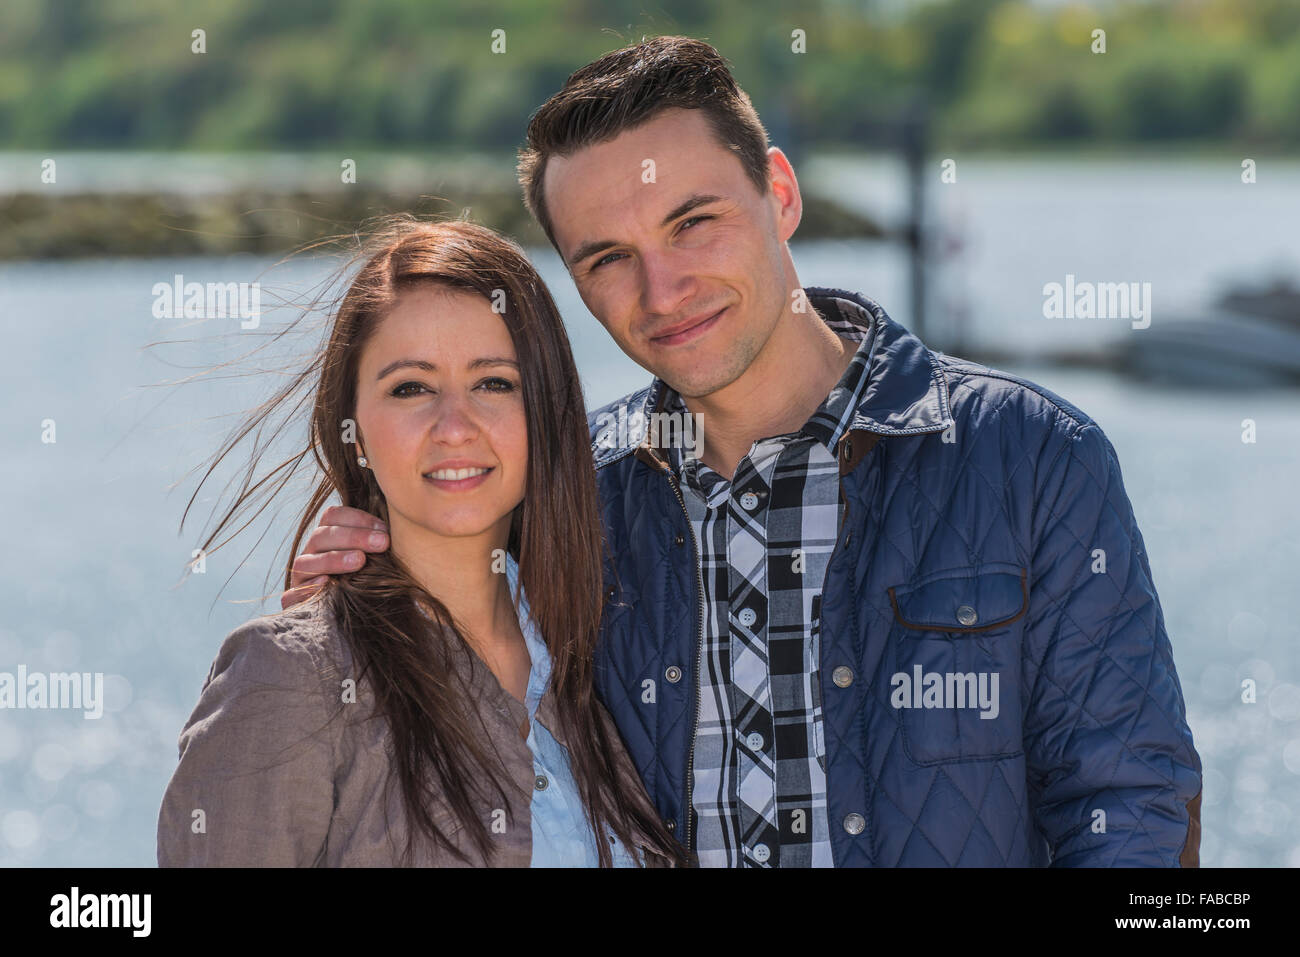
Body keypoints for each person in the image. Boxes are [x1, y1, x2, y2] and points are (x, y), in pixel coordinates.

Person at [285, 36, 1203, 867]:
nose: (664, 288)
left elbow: (1135, 812)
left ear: (782, 193)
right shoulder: (558, 498)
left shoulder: (1031, 456)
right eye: (607, 257)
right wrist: (353, 599)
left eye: (694, 222)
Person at [158, 218, 689, 867]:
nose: (455, 426)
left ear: (545, 413)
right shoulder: (290, 677)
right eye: (410, 387)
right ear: (351, 428)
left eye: (494, 381)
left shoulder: (590, 658)